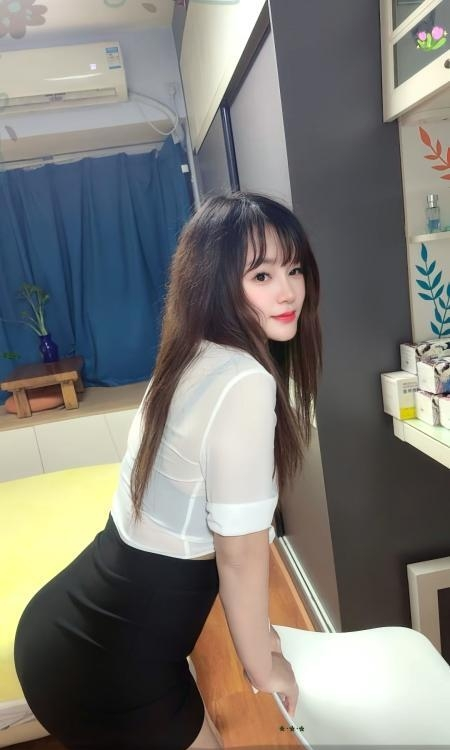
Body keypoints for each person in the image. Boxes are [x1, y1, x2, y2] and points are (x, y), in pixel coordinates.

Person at [14, 191, 322, 750]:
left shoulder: (192, 353)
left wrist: (262, 637)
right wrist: (263, 666)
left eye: (294, 269)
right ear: (216, 284)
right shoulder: (243, 381)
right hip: (107, 663)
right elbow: (239, 555)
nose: (287, 292)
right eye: (261, 275)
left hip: (78, 631)